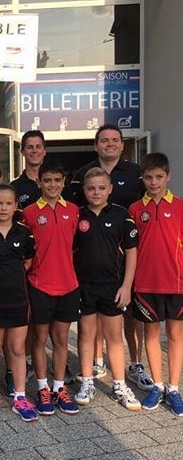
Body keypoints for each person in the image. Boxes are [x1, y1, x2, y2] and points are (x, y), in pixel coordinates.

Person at [71, 125, 150, 390]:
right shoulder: (81, 178)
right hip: (89, 271)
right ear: (96, 145)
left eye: (115, 140)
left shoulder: (135, 174)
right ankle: (95, 365)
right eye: (104, 140)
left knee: (127, 320)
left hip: (121, 265)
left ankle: (132, 368)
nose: (110, 144)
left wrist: (127, 283)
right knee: (89, 326)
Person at [73, 168, 141, 411]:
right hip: (84, 286)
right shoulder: (77, 216)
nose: (96, 192)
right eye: (91, 188)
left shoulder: (122, 216)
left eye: (101, 188)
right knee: (85, 335)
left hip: (113, 286)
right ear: (84, 190)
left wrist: (126, 286)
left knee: (114, 336)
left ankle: (119, 385)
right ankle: (87, 382)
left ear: (110, 189)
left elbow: (132, 252)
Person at [0, 184, 38, 422]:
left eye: (8, 203)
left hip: (19, 299)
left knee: (17, 348)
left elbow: (28, 262)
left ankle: (20, 397)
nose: (3, 208)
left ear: (15, 206)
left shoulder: (24, 233)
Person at [22, 160, 80, 416]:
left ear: (64, 182)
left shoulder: (74, 210)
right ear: (39, 182)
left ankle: (59, 387)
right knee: (39, 338)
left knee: (61, 339)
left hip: (68, 284)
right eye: (47, 181)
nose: (52, 185)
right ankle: (42, 387)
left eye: (57, 180)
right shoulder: (29, 212)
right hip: (40, 284)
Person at [129, 153, 183, 416]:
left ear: (168, 176)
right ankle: (157, 386)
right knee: (150, 335)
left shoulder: (181, 207)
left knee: (175, 336)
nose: (154, 182)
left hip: (176, 283)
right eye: (149, 177)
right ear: (143, 178)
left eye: (159, 177)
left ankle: (173, 388)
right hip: (145, 283)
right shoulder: (135, 209)